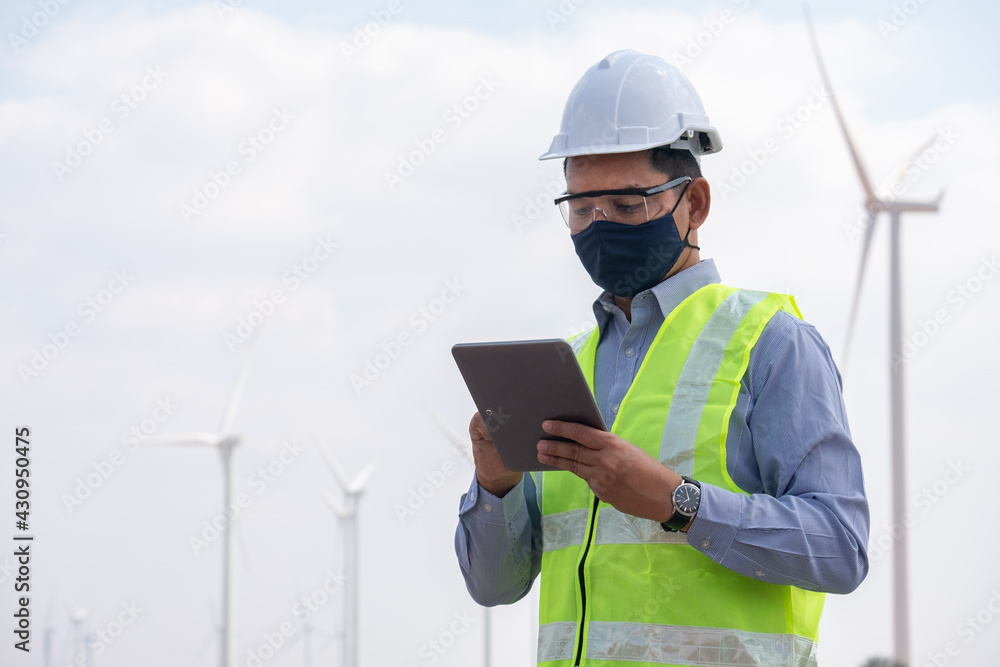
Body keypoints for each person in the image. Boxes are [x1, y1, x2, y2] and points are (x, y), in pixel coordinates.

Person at [454, 49, 869, 666]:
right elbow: (496, 587)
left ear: (694, 204)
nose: (600, 226)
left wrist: (679, 503)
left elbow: (841, 548)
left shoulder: (771, 342)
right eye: (582, 208)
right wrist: (496, 484)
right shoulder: (566, 366)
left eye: (627, 206)